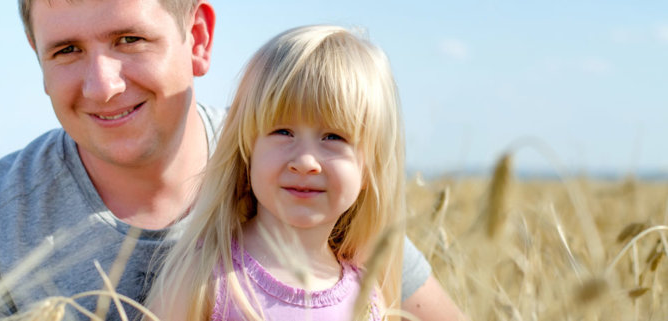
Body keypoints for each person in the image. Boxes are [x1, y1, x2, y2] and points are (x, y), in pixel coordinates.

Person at [0, 1, 462, 320]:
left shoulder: (290, 170)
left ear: (197, 38)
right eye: (66, 50)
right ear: (38, 56)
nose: (103, 86)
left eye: (130, 39)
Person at [144, 25, 455, 321]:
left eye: (334, 137)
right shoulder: (205, 277)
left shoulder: (368, 297)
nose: (305, 161)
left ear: (368, 169)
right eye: (283, 131)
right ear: (248, 150)